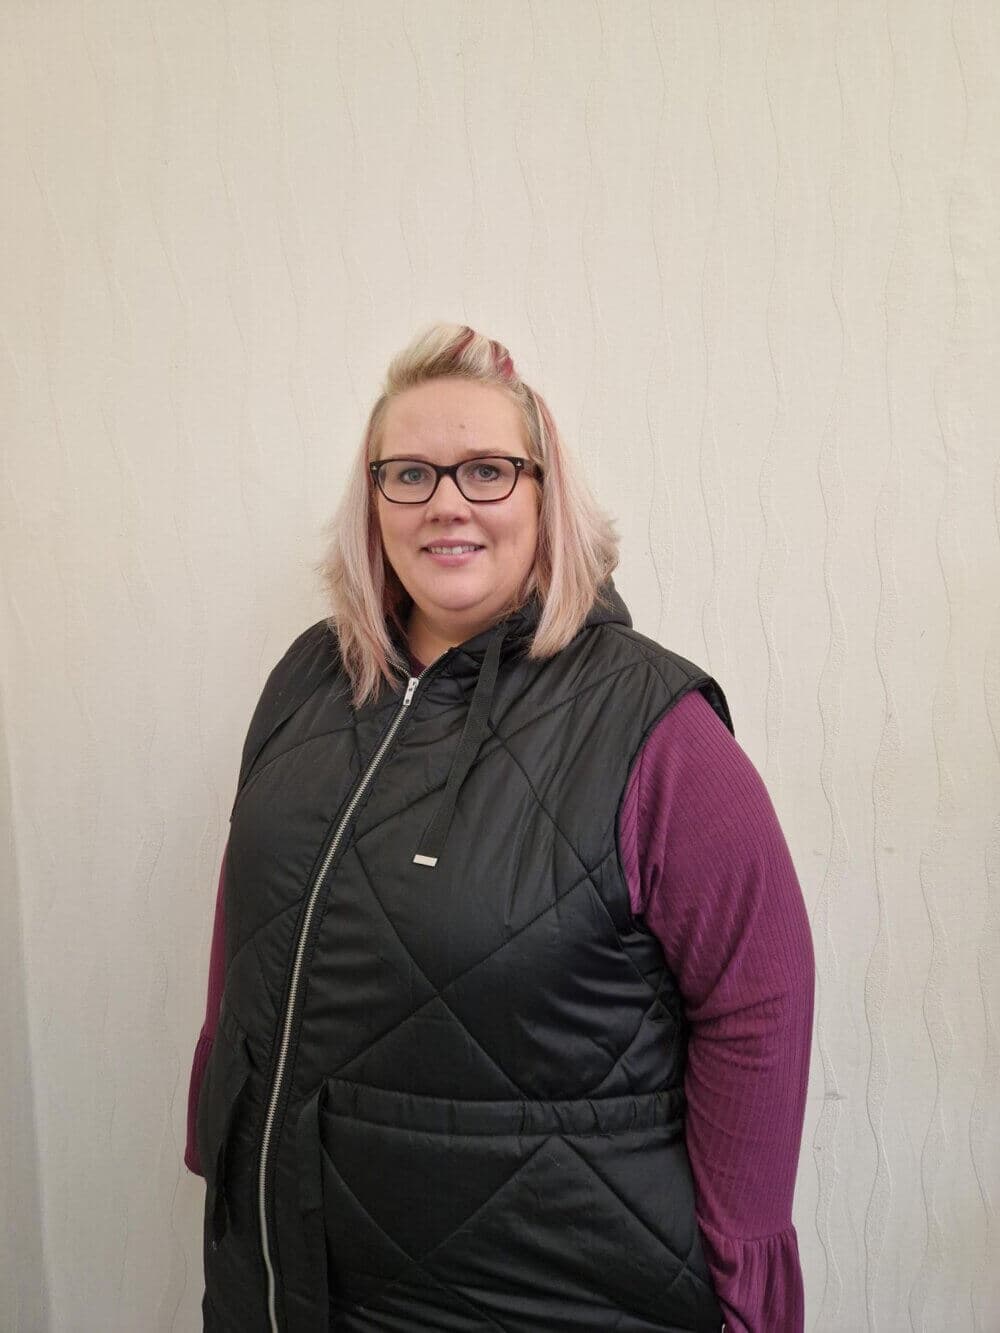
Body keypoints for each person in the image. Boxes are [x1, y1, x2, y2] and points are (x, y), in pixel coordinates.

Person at [185, 323, 814, 1333]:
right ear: (372, 498)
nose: (446, 502)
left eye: (486, 470)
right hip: (283, 1271)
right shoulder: (311, 679)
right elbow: (249, 906)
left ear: (541, 493)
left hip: (541, 1290)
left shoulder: (653, 724)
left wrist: (744, 1271)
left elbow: (759, 1000)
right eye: (409, 473)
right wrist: (215, 1121)